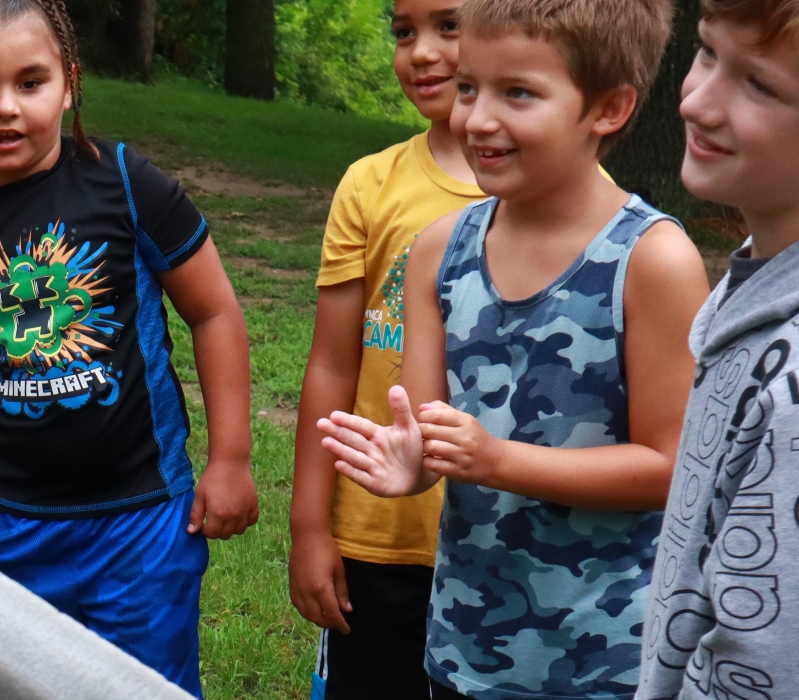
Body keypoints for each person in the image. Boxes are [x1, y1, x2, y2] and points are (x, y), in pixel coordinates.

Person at [313, 1, 712, 698]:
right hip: (463, 653)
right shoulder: (439, 250)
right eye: (469, 88)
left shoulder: (651, 261)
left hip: (608, 663)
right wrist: (410, 462)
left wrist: (497, 461)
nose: (477, 119)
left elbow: (672, 467)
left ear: (609, 108)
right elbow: (430, 429)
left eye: (517, 92)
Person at [0, 0, 260, 695]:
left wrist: (232, 458)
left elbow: (215, 313)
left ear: (69, 82)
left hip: (143, 527)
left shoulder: (128, 185)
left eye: (29, 83)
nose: (5, 108)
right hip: (9, 531)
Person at [287, 0, 479, 697]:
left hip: (499, 549)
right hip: (377, 536)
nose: (422, 51)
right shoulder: (371, 184)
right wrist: (311, 525)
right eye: (404, 31)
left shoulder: (572, 199)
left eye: (448, 25)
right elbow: (333, 363)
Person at [635, 1, 799, 697]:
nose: (697, 101)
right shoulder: (755, 280)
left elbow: (762, 656)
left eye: (758, 84)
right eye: (706, 52)